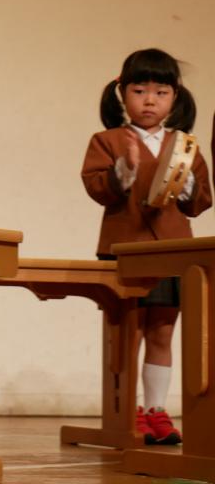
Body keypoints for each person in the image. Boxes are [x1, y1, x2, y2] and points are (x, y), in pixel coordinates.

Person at [81, 48, 212, 445]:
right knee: (128, 332)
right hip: (126, 249)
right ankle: (127, 412)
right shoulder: (107, 140)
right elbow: (97, 187)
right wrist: (124, 172)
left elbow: (200, 200)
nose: (150, 100)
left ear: (176, 97)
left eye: (161, 92)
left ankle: (157, 410)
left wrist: (187, 183)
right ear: (122, 94)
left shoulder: (185, 145)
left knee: (163, 332)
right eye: (139, 90)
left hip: (173, 251)